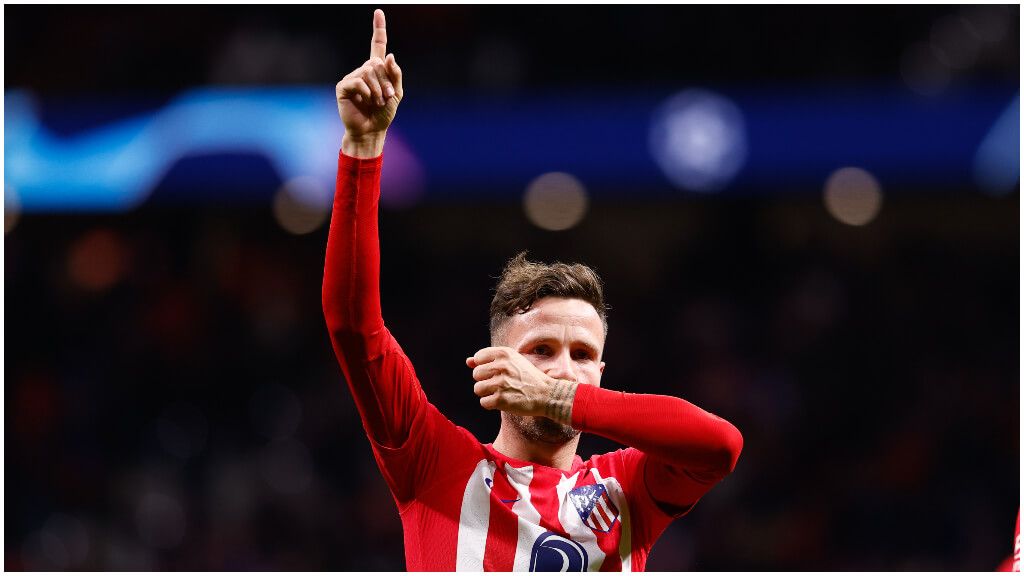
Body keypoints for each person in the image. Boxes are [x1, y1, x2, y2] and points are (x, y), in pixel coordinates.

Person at [322, 9, 743, 571]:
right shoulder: (433, 461)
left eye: (583, 355)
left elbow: (720, 446)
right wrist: (363, 149)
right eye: (540, 351)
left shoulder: (627, 487)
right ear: (498, 362)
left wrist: (559, 401)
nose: (564, 368)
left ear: (600, 372)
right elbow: (354, 327)